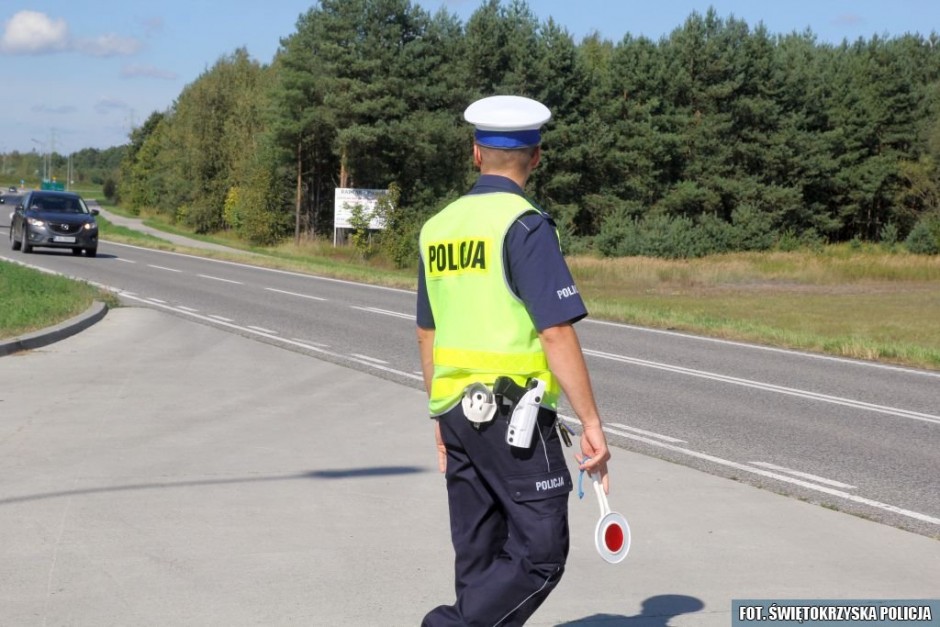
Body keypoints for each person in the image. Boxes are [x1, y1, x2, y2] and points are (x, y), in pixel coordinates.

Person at [416, 95, 611, 626]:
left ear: (475, 153)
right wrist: (591, 423)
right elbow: (554, 330)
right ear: (537, 157)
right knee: (541, 553)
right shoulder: (524, 226)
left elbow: (427, 330)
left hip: (456, 412)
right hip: (513, 419)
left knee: (479, 555)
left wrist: (439, 415)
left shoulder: (438, 228)